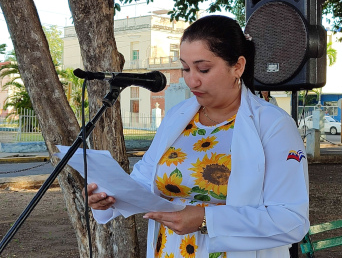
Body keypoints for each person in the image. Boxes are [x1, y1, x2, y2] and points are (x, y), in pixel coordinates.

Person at [84, 15, 309, 257]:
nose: (192, 79)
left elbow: (291, 220)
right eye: (185, 68)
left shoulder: (273, 125)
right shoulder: (177, 117)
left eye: (203, 69)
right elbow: (143, 180)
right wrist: (108, 198)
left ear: (238, 67)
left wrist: (206, 219)